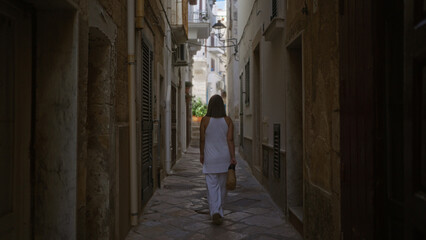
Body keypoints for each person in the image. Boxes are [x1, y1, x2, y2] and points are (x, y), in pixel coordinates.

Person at [199, 94, 237, 225]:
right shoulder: (228, 121)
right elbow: (230, 140)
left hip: (210, 158)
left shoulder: (204, 120)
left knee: (212, 186)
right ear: (222, 106)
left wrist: (202, 154)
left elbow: (202, 140)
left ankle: (215, 210)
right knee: (222, 187)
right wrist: (233, 157)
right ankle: (219, 211)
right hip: (224, 158)